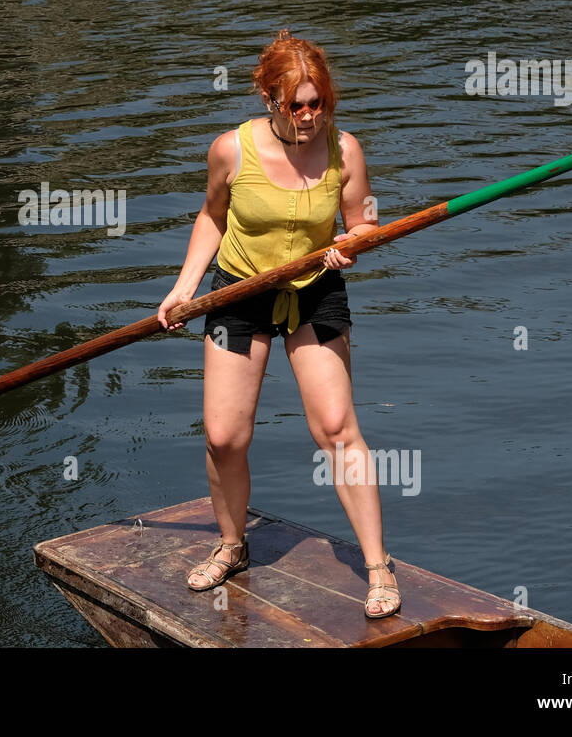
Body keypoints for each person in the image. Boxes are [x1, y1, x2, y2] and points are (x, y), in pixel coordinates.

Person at [155, 30, 399, 618]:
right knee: (224, 437)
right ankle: (232, 546)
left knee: (338, 428)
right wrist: (185, 286)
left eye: (320, 103)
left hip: (314, 291)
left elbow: (364, 221)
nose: (311, 116)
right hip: (239, 292)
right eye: (298, 105)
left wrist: (352, 244)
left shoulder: (346, 150)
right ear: (270, 99)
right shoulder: (230, 150)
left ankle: (378, 568)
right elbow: (212, 216)